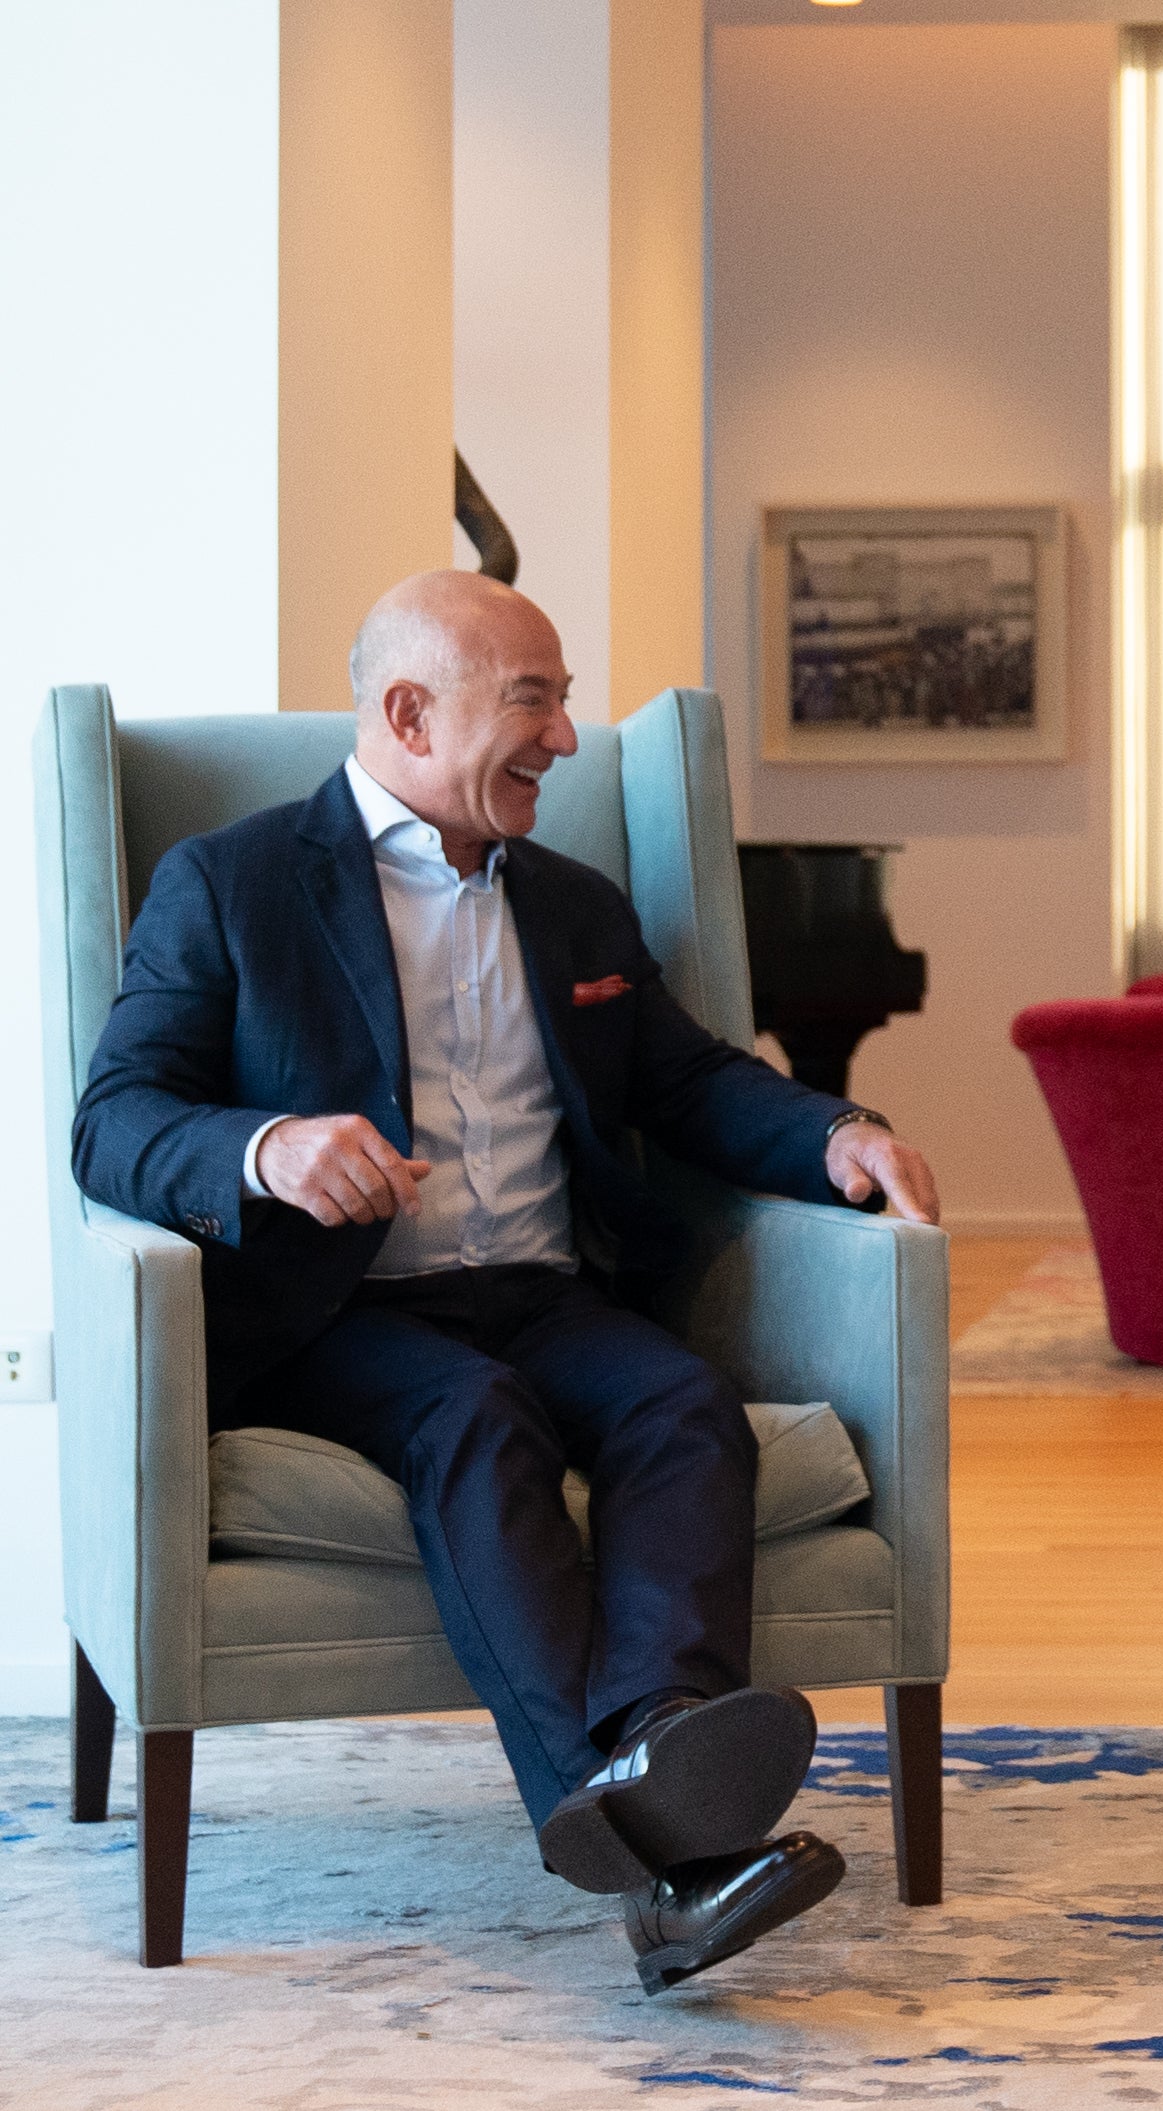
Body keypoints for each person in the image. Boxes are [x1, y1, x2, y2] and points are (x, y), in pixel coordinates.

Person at [73, 570, 944, 1992]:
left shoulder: (574, 908)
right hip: (344, 1312)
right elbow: (113, 1119)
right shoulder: (232, 884)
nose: (564, 734)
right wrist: (269, 1148)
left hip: (549, 1288)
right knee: (475, 1419)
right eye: (532, 698)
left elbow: (689, 1080)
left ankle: (666, 1744)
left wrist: (840, 1135)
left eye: (563, 698)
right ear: (410, 712)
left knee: (679, 1404)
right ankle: (661, 1852)